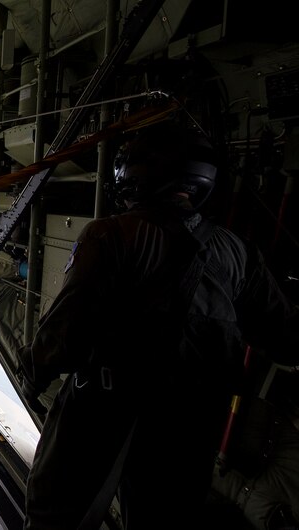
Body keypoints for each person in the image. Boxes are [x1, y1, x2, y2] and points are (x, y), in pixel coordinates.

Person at [15, 118, 299, 530]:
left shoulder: (111, 235)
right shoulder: (239, 253)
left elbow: (65, 331)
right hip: (188, 430)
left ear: (141, 174)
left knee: (54, 517)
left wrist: (33, 372)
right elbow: (285, 337)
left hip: (104, 409)